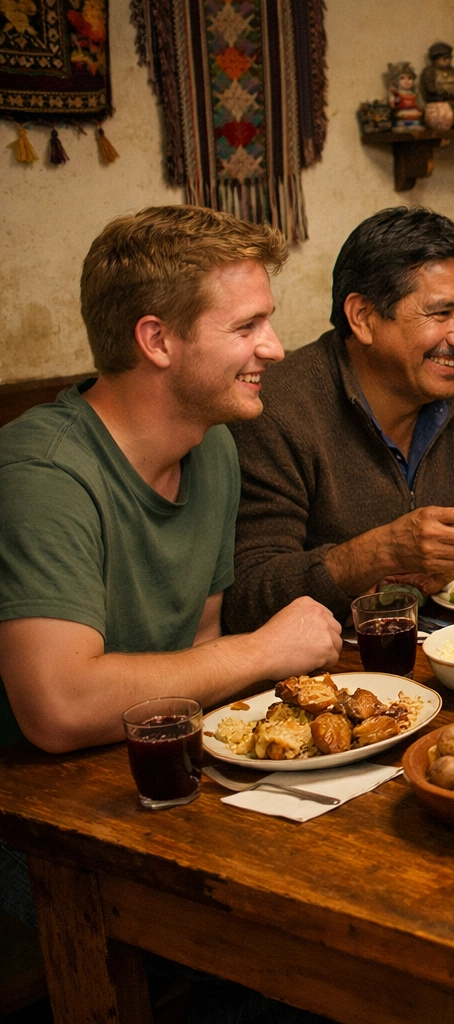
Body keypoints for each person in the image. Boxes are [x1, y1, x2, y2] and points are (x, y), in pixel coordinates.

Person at [0, 206, 341, 754]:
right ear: (157, 340)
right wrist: (262, 650)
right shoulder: (43, 475)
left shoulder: (213, 445)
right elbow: (59, 709)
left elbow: (200, 654)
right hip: (33, 795)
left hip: (157, 764)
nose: (274, 348)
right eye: (246, 326)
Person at [225, 207, 454, 634]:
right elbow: (250, 593)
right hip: (335, 661)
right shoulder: (277, 409)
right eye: (441, 314)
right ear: (363, 317)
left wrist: (445, 561)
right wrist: (374, 555)